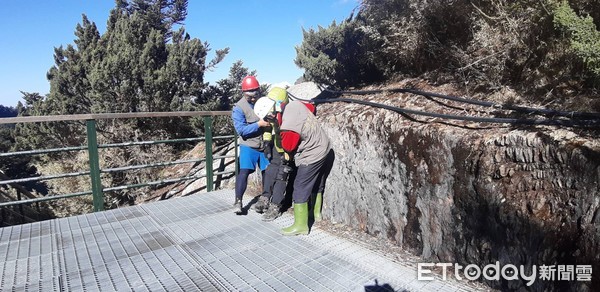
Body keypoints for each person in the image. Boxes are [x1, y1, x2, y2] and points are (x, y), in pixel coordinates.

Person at [279, 99, 335, 235]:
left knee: (300, 186)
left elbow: (288, 146)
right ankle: (315, 214)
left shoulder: (289, 125)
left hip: (313, 152)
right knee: (317, 181)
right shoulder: (295, 104)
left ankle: (301, 226)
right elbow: (311, 107)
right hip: (325, 147)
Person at [231, 76, 270, 214]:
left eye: (255, 95)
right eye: (250, 96)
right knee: (244, 172)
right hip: (248, 145)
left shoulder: (264, 102)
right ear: (244, 93)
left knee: (267, 172)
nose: (253, 99)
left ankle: (265, 200)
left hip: (264, 144)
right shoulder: (239, 108)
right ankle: (238, 201)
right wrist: (258, 124)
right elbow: (241, 130)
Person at [252, 87, 293, 221]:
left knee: (281, 176)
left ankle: (275, 206)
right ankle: (265, 198)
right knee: (270, 171)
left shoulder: (287, 115)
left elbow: (290, 137)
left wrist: (287, 155)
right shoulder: (273, 113)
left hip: (288, 149)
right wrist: (267, 143)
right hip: (277, 146)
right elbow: (268, 128)